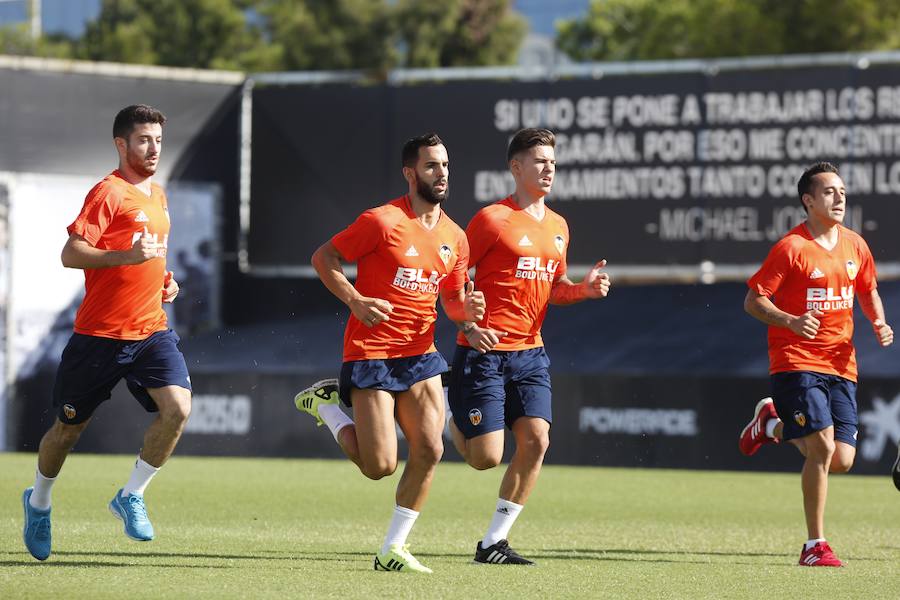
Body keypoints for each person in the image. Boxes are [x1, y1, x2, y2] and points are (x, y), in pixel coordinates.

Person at [293, 133, 484, 574]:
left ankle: (392, 549)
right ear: (410, 172)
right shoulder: (382, 221)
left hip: (421, 354)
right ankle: (328, 410)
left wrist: (468, 315)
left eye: (446, 166)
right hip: (372, 351)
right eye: (432, 166)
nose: (441, 174)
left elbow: (453, 302)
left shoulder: (456, 236)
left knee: (430, 450)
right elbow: (324, 258)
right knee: (379, 466)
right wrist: (356, 300)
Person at [22, 105, 192, 561]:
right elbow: (71, 253)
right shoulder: (107, 192)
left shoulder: (158, 195)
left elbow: (149, 255)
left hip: (151, 330)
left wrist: (164, 280)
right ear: (122, 144)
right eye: (143, 140)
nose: (153, 148)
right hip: (99, 336)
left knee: (177, 408)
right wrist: (128, 258)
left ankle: (131, 495)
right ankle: (38, 502)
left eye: (158, 139)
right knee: (66, 432)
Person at [448, 128, 611, 565]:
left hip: (531, 354)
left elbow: (555, 288)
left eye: (553, 161)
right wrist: (466, 313)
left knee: (537, 440)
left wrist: (585, 291)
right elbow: (453, 276)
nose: (549, 168)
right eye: (539, 160)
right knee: (485, 458)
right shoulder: (491, 220)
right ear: (515, 167)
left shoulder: (558, 226)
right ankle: (452, 407)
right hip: (483, 350)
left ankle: (492, 542)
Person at [738, 161, 893, 567]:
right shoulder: (791, 247)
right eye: (829, 191)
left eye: (842, 190)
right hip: (796, 359)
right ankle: (814, 546)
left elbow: (869, 289)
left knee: (841, 459)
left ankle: (771, 424)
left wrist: (878, 321)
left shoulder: (855, 245)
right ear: (808, 201)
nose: (839, 197)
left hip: (842, 364)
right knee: (821, 447)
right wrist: (790, 320)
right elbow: (754, 300)